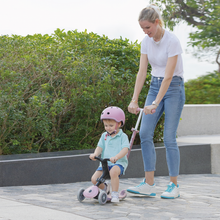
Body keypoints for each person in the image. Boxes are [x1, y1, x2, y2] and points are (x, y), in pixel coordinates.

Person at [127, 4, 185, 199]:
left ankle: (173, 186)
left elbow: (168, 76)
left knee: (169, 137)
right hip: (154, 86)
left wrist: (155, 102)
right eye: (142, 28)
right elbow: (142, 71)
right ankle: (149, 183)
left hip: (174, 88)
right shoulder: (146, 42)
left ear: (157, 22)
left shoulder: (172, 41)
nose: (145, 32)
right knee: (144, 133)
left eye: (148, 28)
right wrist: (135, 99)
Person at [89, 106, 130, 203]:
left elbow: (125, 149)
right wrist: (95, 154)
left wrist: (117, 157)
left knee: (113, 172)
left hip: (118, 163)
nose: (108, 128)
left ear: (119, 123)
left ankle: (114, 193)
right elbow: (100, 147)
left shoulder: (123, 136)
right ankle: (105, 189)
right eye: (106, 125)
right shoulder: (104, 135)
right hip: (104, 163)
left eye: (111, 125)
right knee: (94, 179)